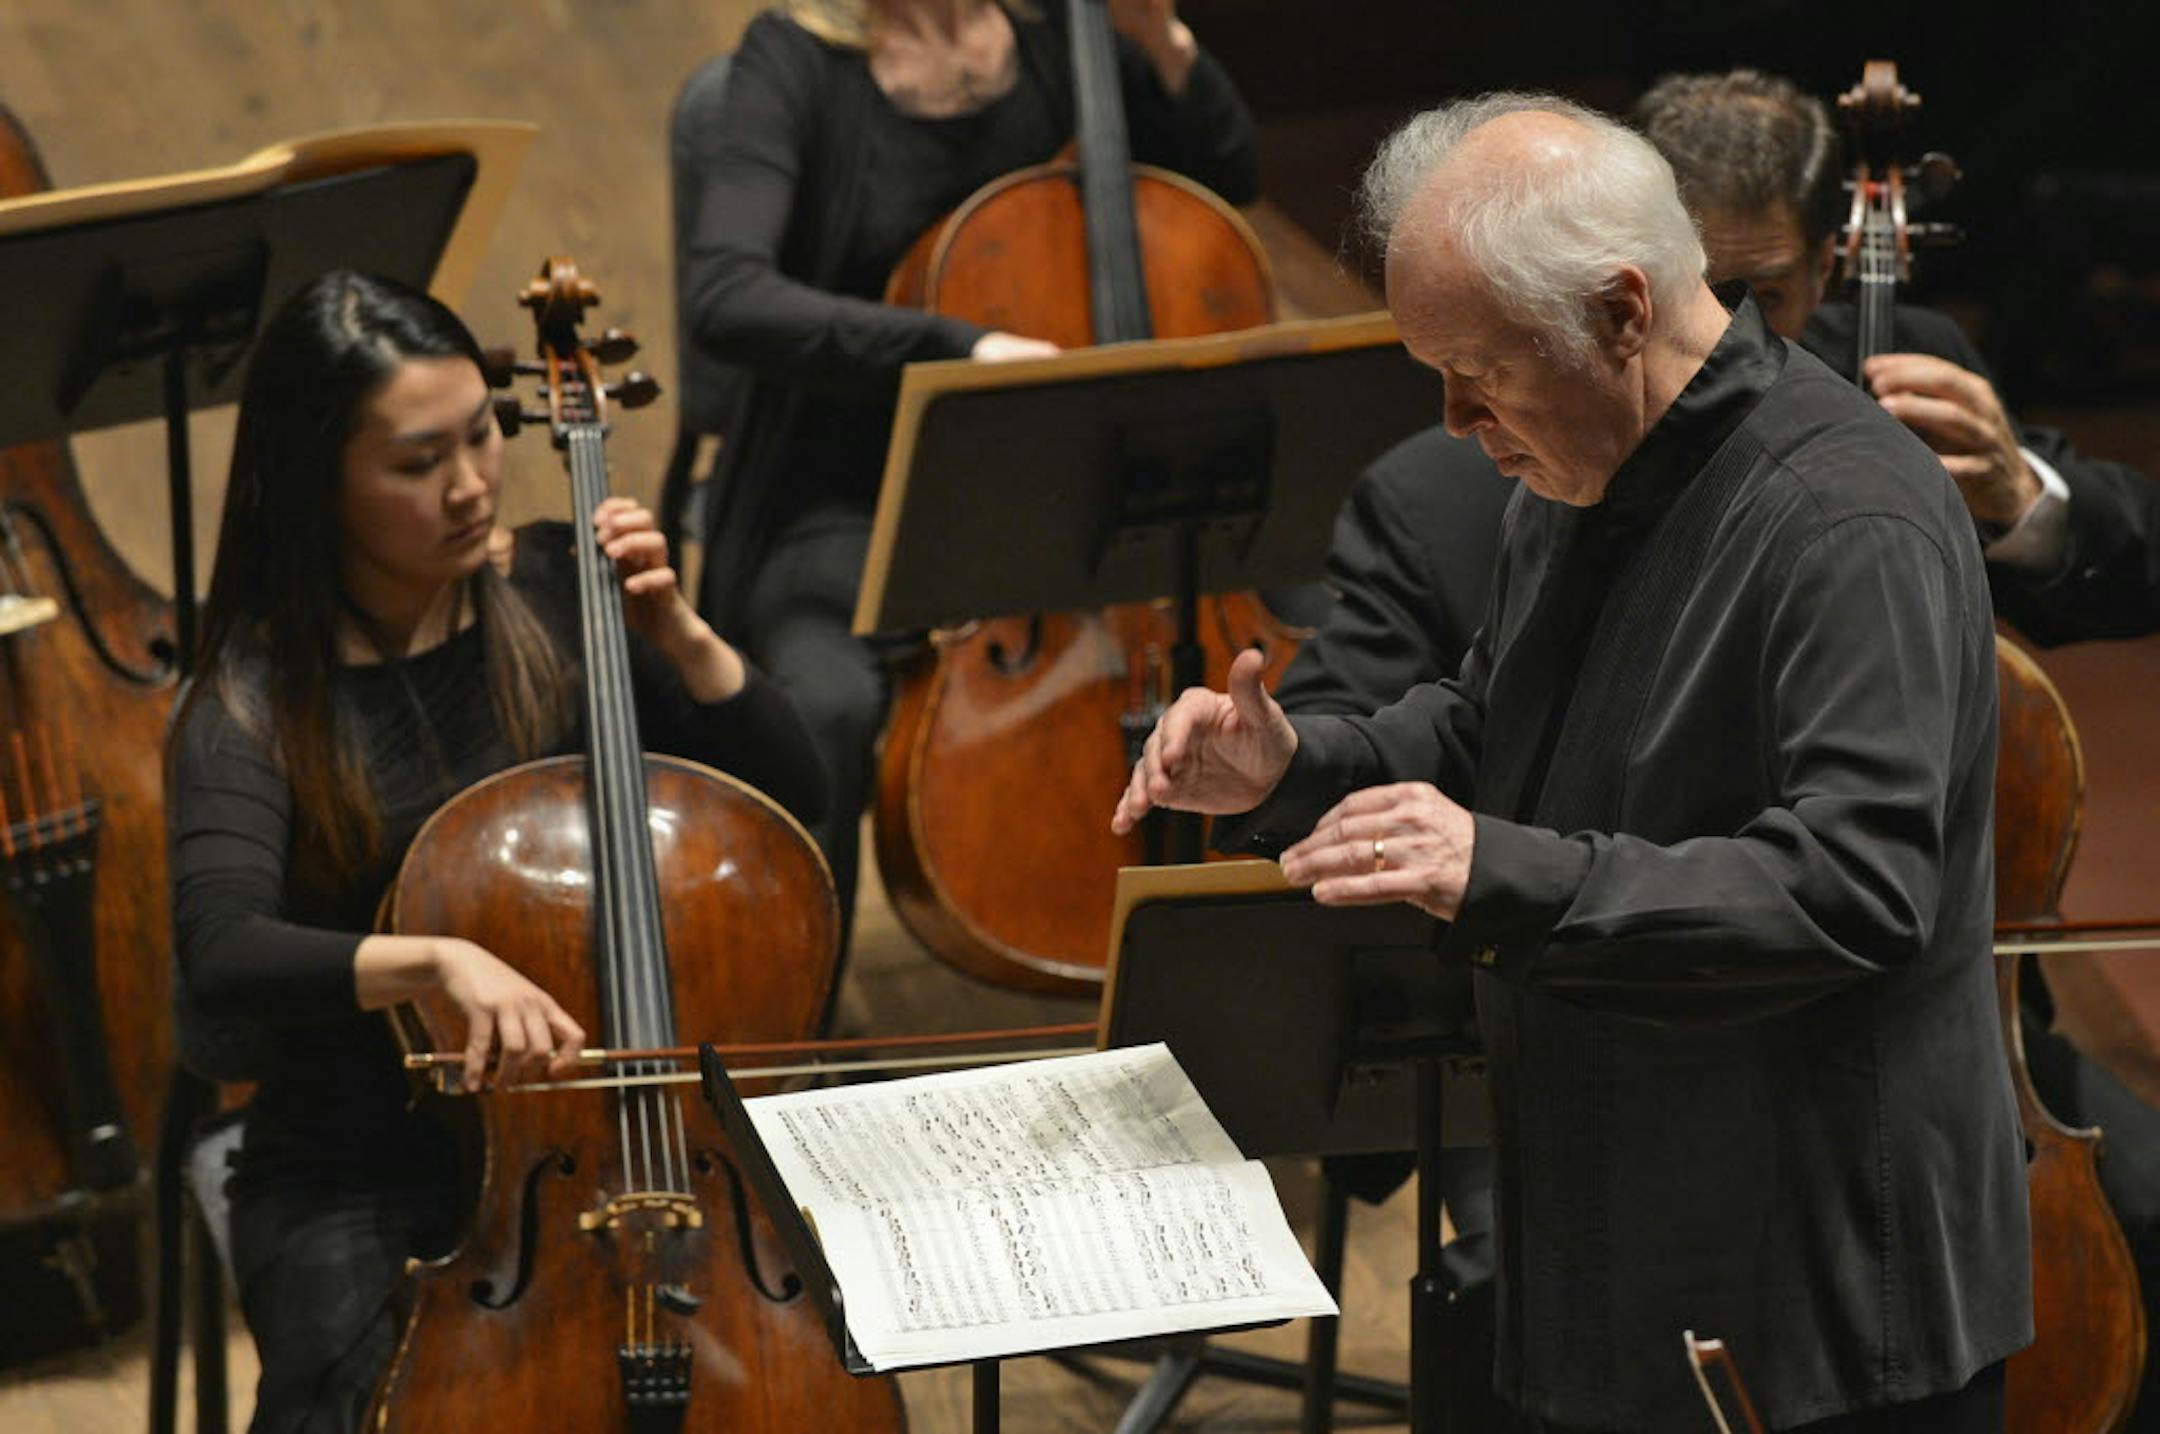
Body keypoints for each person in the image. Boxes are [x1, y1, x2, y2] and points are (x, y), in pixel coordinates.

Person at [1121, 95, 2030, 1430]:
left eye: (1476, 368)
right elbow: (1495, 727)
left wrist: (1497, 870)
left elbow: (1854, 887)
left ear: (1619, 311)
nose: (1449, 417)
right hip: (1619, 1240)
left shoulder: (1848, 522)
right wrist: (1294, 766)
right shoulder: (1581, 471)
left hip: (1818, 1305)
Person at [166, 270, 827, 1434]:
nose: (471, 485)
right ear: (319, 482)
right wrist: (436, 962)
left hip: (619, 1144)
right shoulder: (253, 700)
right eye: (419, 463)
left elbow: (796, 799)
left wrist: (681, 634)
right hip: (361, 1168)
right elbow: (222, 952)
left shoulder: (560, 590)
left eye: (481, 436)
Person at [671, 0, 1259, 963]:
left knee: (1304, 646)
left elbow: (1227, 180)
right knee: (824, 710)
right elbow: (727, 297)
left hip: (1063, 499)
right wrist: (960, 349)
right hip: (851, 498)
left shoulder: (1055, 37)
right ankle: (794, 1017)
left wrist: (1162, 39)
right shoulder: (799, 60)